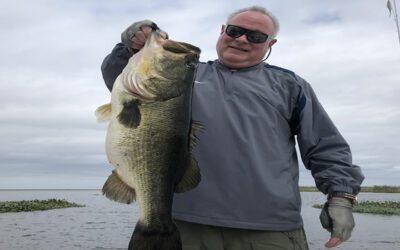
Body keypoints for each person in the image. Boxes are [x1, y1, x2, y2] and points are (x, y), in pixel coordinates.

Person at [101, 5, 364, 250]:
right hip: (184, 225)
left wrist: (340, 196)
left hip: (270, 230)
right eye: (235, 31)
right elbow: (120, 74)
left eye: (256, 37)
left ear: (270, 44)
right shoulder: (184, 75)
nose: (241, 39)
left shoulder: (291, 86)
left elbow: (326, 146)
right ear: (222, 31)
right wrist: (130, 46)